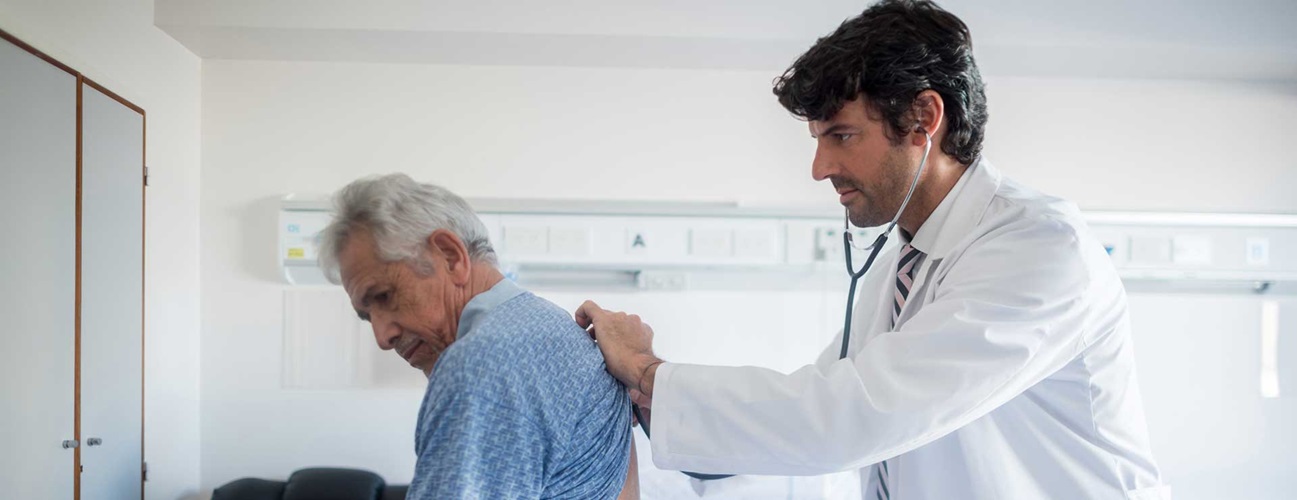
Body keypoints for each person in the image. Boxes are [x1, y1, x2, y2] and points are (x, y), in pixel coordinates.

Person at [574, 1, 1169, 498]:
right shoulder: (905, 262)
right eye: (817, 139)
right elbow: (815, 400)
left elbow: (856, 414)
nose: (819, 167)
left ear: (923, 118)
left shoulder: (1039, 248)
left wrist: (653, 372)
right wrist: (648, 396)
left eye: (841, 135)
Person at [318, 174, 639, 499]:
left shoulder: (482, 362)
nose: (382, 337)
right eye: (366, 315)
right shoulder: (552, 328)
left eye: (385, 296)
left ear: (450, 256)